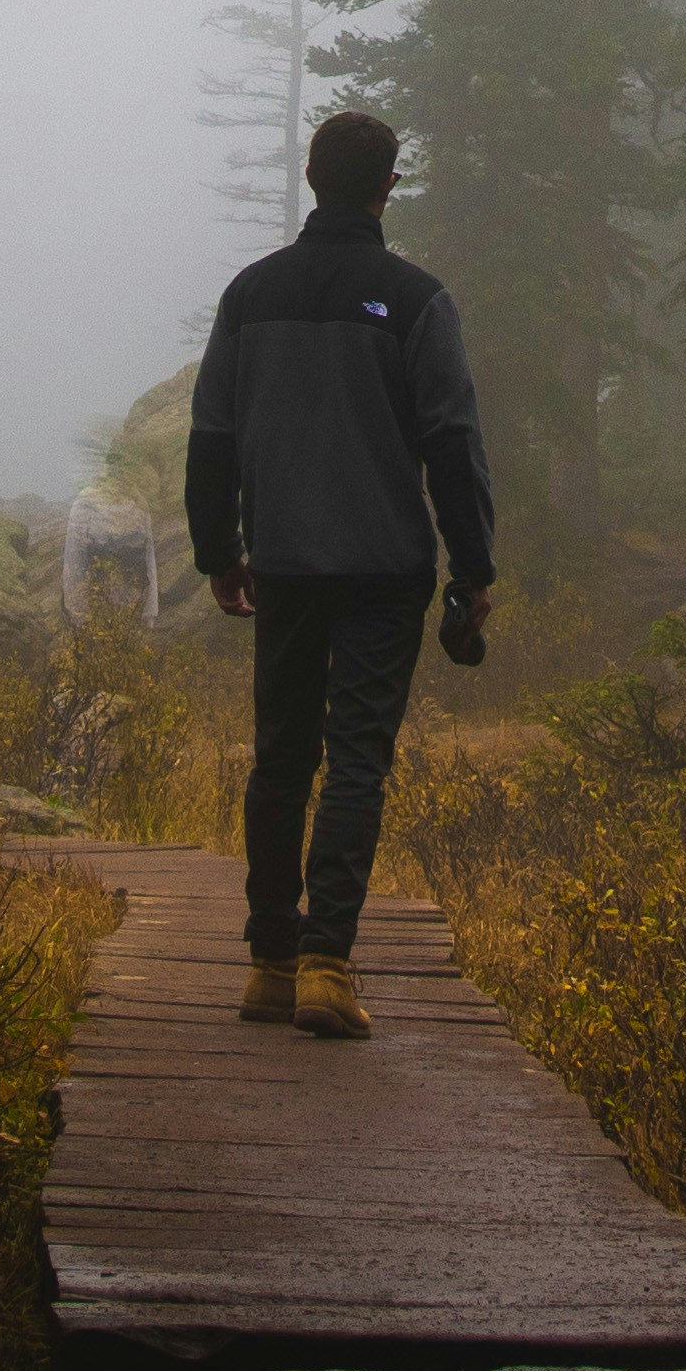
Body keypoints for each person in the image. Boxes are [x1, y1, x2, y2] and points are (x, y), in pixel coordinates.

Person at [183, 107, 494, 1037]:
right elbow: (451, 440)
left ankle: (269, 966)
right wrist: (473, 566)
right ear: (387, 186)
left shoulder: (250, 295)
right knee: (357, 759)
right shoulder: (416, 299)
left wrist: (218, 553)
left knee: (281, 759)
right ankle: (326, 964)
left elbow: (212, 434)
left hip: (283, 564)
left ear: (313, 178)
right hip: (384, 570)